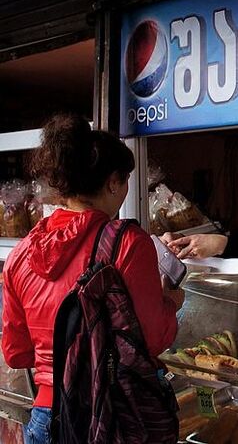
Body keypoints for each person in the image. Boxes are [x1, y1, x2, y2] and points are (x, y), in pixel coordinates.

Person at [1, 115, 184, 444]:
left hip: (46, 419)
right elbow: (152, 340)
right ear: (113, 182)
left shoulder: (21, 253)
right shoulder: (127, 243)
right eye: (125, 180)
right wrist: (170, 301)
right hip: (108, 418)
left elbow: (16, 353)